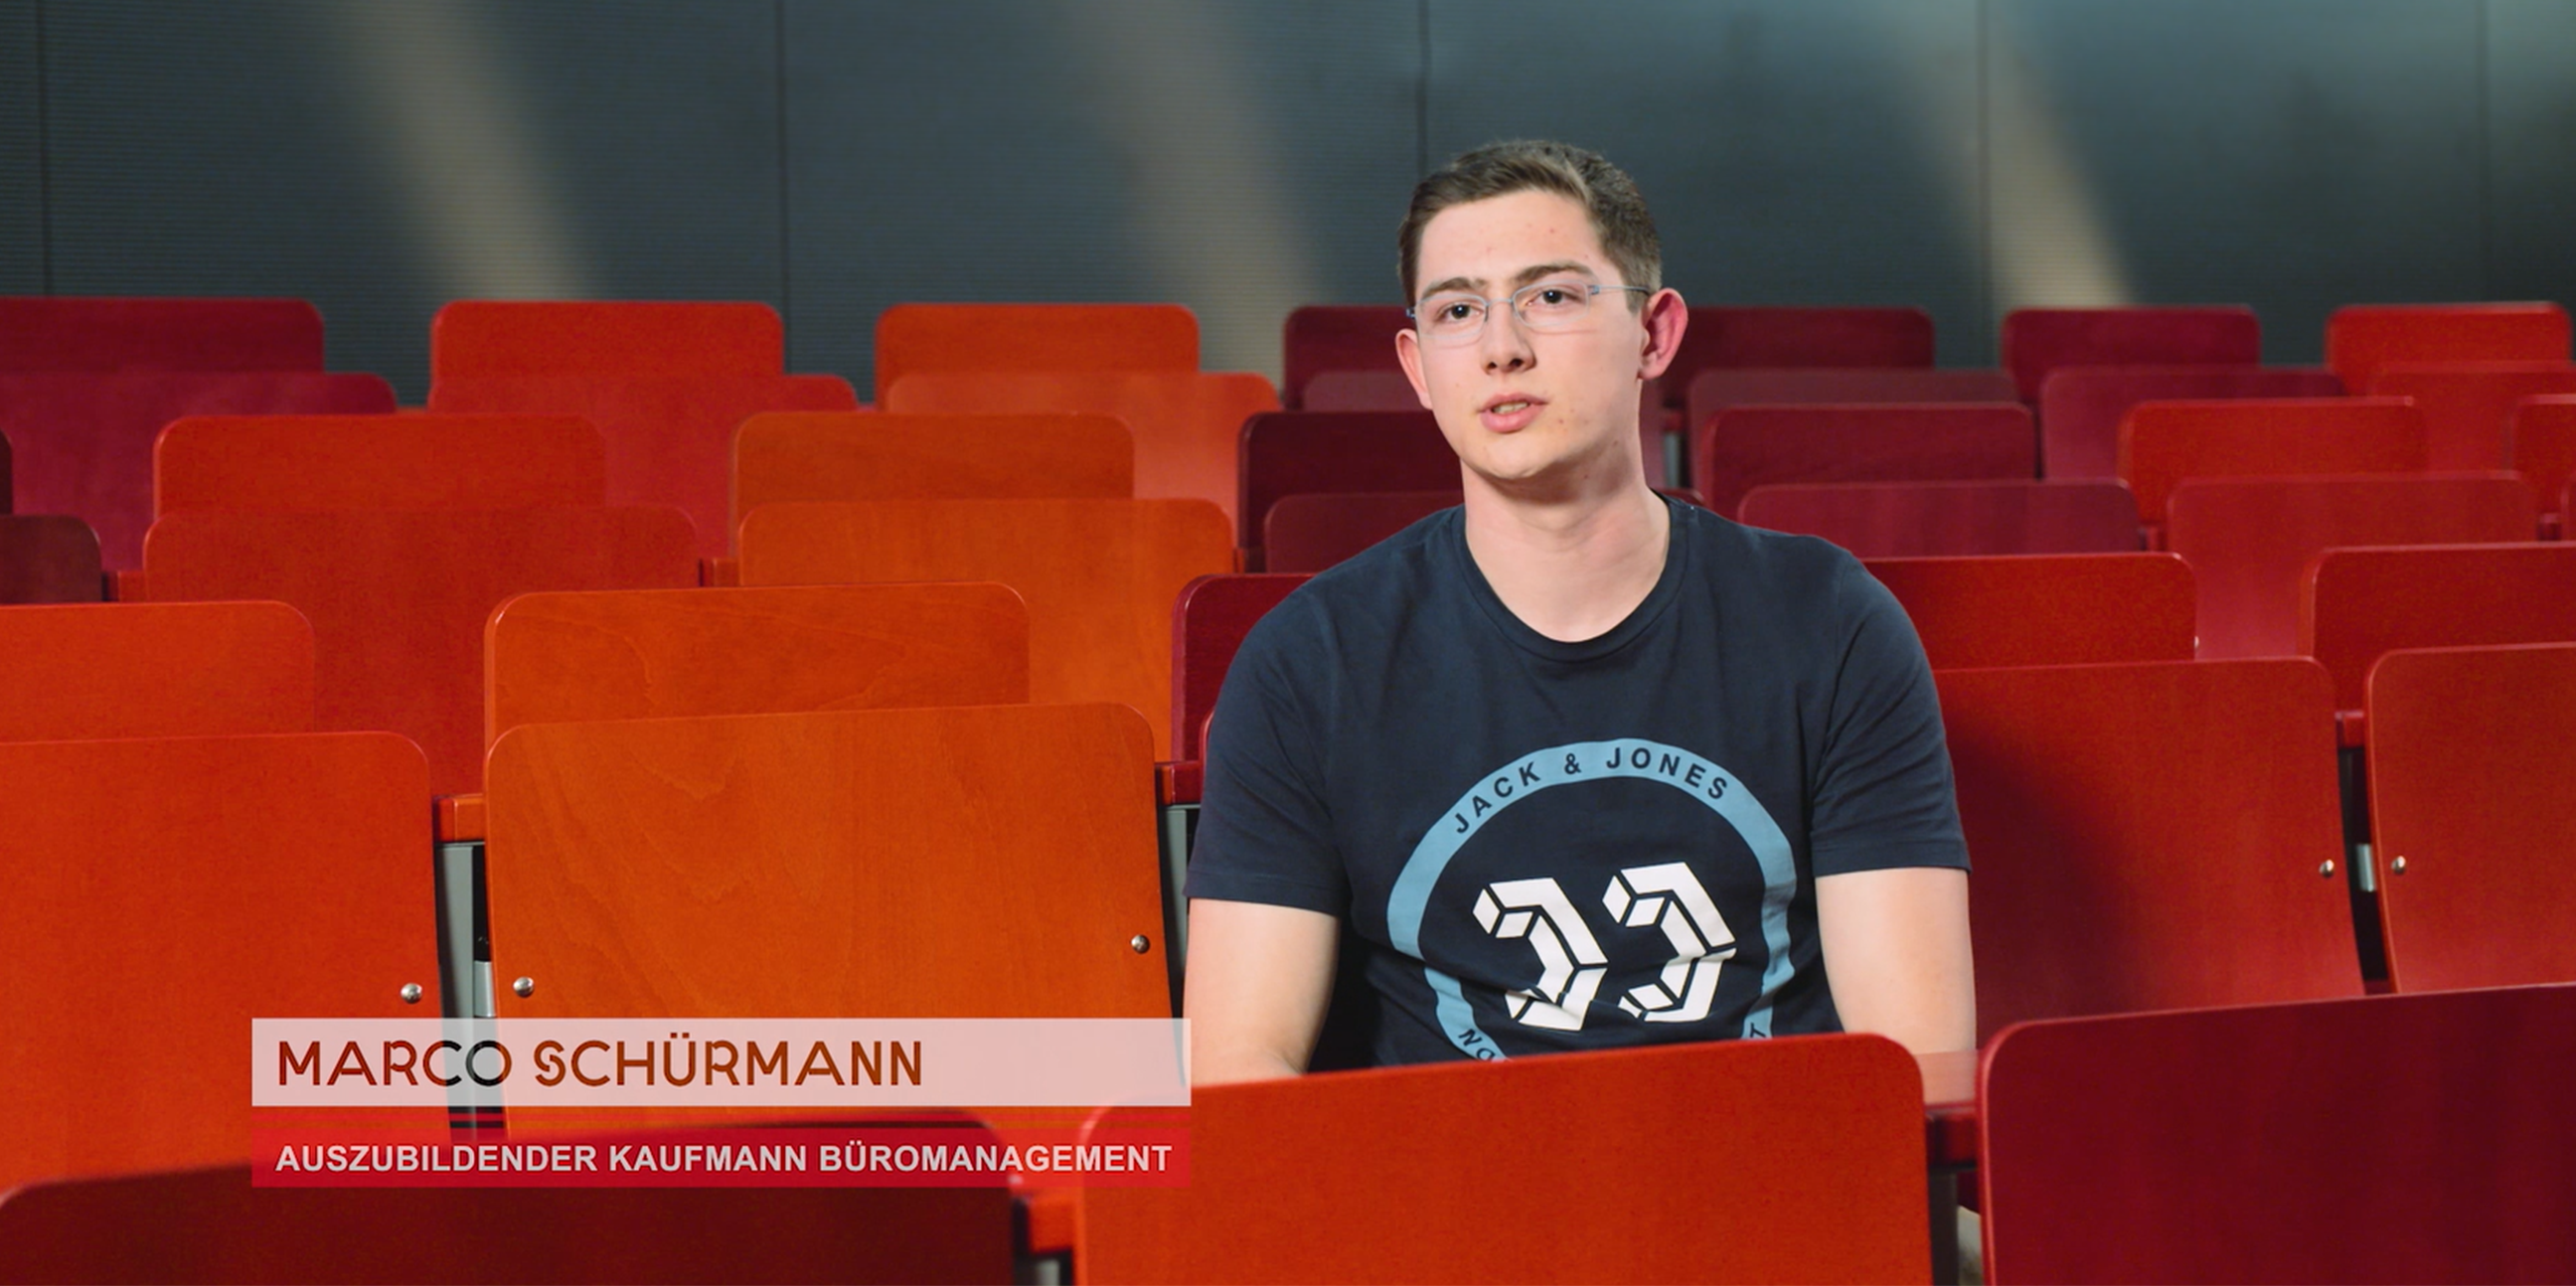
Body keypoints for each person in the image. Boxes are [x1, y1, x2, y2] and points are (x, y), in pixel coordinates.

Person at [1184, 139, 1973, 1084]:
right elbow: (1239, 1068)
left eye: (1551, 296)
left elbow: (1917, 1062)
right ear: (1419, 367)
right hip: (1446, 1171)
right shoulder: (1308, 661)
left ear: (1654, 334)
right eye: (1458, 310)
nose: (1501, 347)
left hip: (1774, 1162)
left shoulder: (1830, 621)